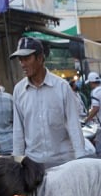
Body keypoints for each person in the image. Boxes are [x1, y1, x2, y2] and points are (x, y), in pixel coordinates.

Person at [10, 36, 88, 167]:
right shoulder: (19, 91)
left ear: (40, 58)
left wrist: (81, 158)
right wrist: (17, 162)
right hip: (34, 163)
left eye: (27, 58)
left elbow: (74, 125)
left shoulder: (62, 87)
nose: (23, 64)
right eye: (20, 60)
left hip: (62, 162)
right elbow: (18, 130)